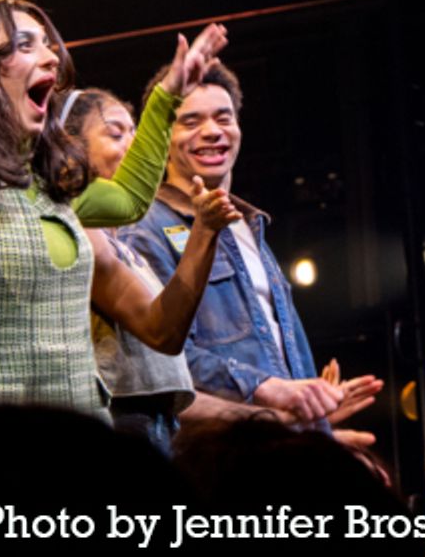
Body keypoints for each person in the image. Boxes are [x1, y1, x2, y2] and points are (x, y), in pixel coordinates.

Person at [0, 0, 229, 415]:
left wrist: (168, 95)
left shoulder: (47, 186)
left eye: (46, 43)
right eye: (24, 45)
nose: (50, 57)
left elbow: (128, 200)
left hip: (76, 439)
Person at [121, 62, 382, 437]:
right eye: (191, 122)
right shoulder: (146, 230)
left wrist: (315, 412)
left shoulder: (249, 224)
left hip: (280, 447)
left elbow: (271, 350)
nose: (212, 132)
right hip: (218, 457)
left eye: (223, 118)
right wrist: (269, 390)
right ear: (162, 136)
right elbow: (161, 359)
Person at [61, 88, 236, 455]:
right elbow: (158, 329)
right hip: (121, 417)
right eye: (115, 133)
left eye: (134, 133)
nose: (133, 144)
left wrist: (204, 230)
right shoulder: (74, 229)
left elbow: (167, 330)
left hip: (153, 418)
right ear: (71, 147)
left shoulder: (119, 244)